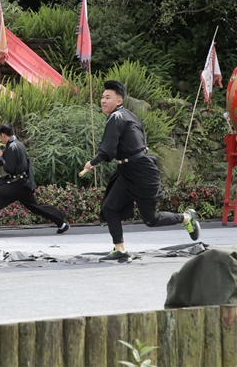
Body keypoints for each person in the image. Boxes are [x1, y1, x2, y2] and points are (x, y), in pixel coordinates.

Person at [82, 80, 200, 261]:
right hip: (127, 170)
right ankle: (120, 249)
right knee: (109, 207)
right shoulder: (127, 115)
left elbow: (108, 151)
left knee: (151, 219)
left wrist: (92, 163)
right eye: (102, 97)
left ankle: (186, 218)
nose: (103, 101)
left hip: (142, 171)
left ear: (119, 101)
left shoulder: (116, 118)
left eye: (108, 97)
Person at [0, 122, 70, 237]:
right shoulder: (17, 144)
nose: (1, 139)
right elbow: (3, 161)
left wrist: (0, 156)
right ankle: (61, 224)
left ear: (3, 135)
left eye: (1, 137)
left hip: (16, 185)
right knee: (35, 207)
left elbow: (9, 168)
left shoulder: (13, 146)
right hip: (22, 184)